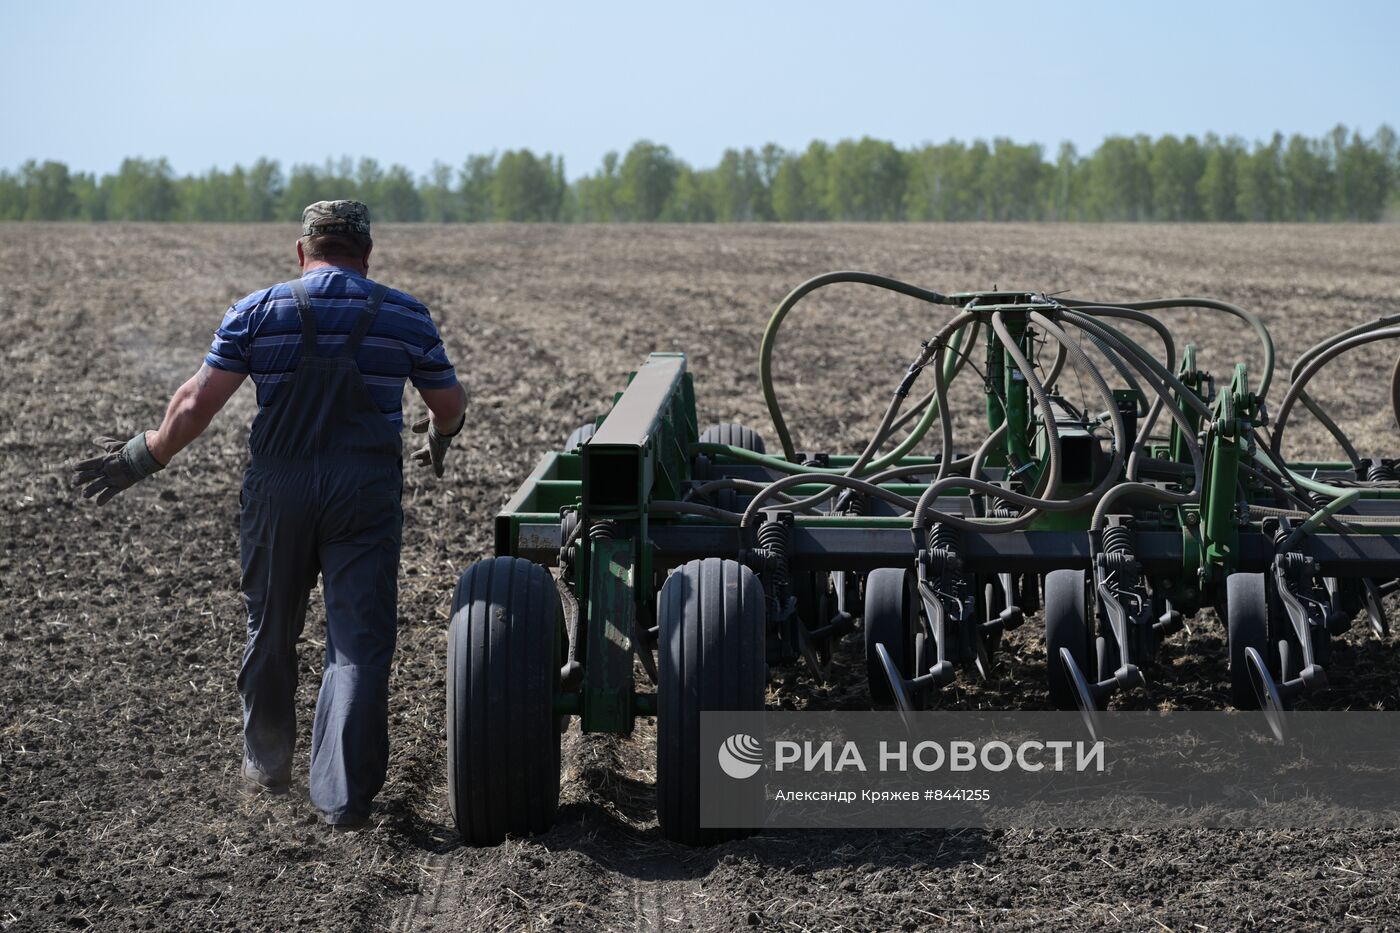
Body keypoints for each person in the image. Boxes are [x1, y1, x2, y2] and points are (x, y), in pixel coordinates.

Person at [71, 201, 467, 829]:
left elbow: (197, 402)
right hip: (363, 493)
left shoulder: (259, 311)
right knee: (357, 641)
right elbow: (447, 402)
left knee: (272, 625)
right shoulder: (403, 313)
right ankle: (343, 798)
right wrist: (441, 436)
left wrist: (141, 458)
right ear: (366, 254)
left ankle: (269, 764)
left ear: (302, 251)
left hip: (278, 491)